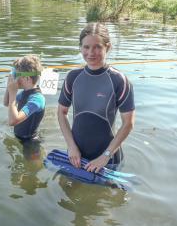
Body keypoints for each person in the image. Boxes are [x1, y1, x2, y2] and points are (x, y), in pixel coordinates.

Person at [58, 23, 135, 173]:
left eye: (97, 47)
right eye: (86, 47)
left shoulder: (119, 80)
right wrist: (72, 147)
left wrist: (105, 156)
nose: (91, 53)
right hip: (76, 157)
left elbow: (128, 123)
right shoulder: (73, 77)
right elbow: (61, 113)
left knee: (107, 196)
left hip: (108, 160)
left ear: (108, 47)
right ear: (80, 48)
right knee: (69, 195)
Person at [3, 55, 45, 141]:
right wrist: (9, 87)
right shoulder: (24, 93)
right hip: (19, 138)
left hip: (31, 142)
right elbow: (6, 103)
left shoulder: (37, 99)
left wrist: (13, 93)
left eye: (16, 75)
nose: (14, 78)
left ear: (27, 78)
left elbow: (12, 121)